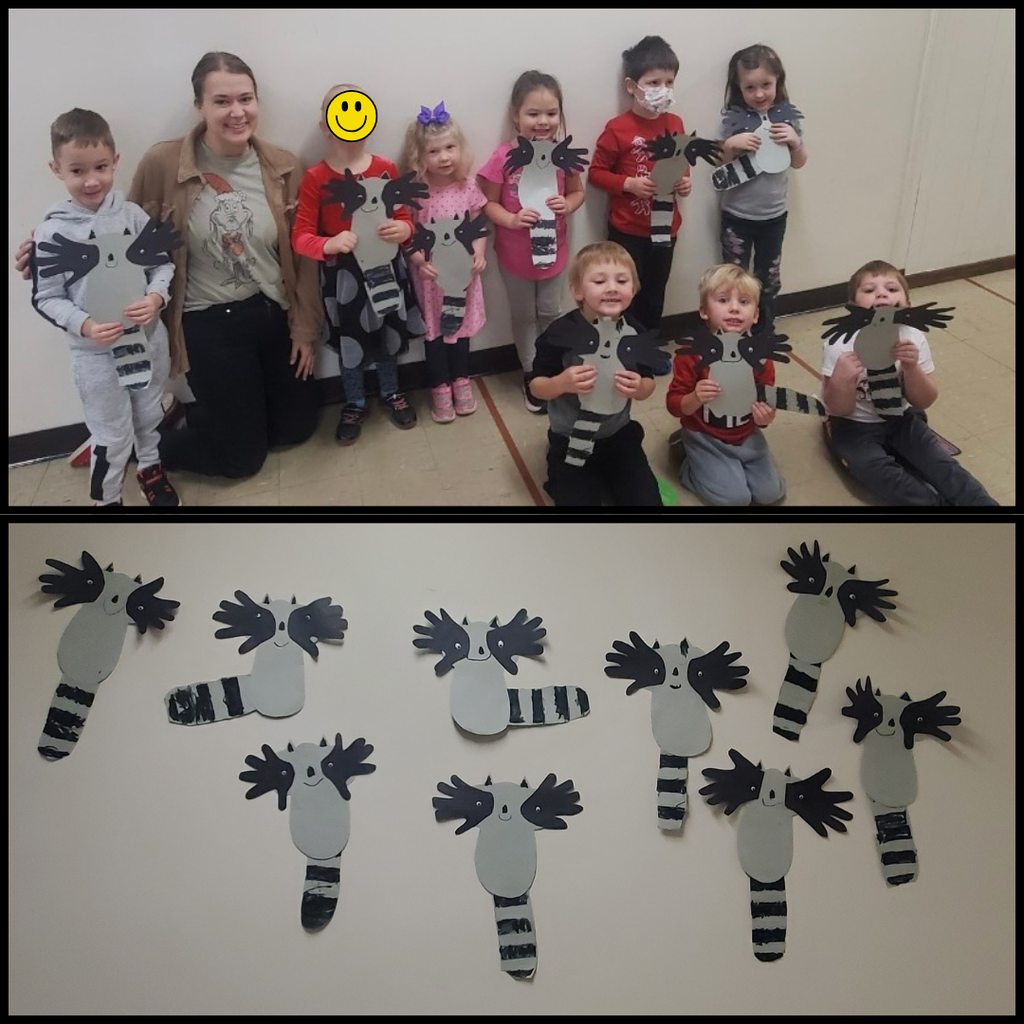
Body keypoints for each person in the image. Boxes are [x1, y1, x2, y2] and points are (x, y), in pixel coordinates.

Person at [123, 51, 321, 479]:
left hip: (272, 312)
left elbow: (306, 256)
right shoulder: (162, 164)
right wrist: (53, 253)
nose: (237, 112)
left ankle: (212, 416)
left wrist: (304, 329)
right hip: (209, 322)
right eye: (221, 101)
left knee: (295, 429)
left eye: (245, 99)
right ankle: (137, 441)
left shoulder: (284, 166)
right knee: (243, 460)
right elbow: (121, 236)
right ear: (200, 106)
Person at [30, 108, 178, 507]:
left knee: (149, 414)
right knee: (111, 435)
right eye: (77, 171)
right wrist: (86, 325)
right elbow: (46, 298)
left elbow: (161, 265)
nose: (91, 180)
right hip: (96, 358)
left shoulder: (132, 216)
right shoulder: (52, 231)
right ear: (56, 169)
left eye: (100, 167)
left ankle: (151, 469)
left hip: (146, 342)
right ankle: (107, 500)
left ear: (115, 161)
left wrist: (155, 298)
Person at [292, 83, 422, 445]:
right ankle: (354, 401)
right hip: (344, 278)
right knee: (351, 341)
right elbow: (300, 236)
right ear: (326, 127)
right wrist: (329, 243)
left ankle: (391, 391)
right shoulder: (316, 178)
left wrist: (403, 229)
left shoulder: (385, 168)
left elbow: (404, 217)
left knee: (387, 333)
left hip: (385, 266)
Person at [822, 260, 998, 505]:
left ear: (907, 304)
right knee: (873, 469)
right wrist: (842, 379)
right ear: (852, 307)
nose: (881, 294)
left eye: (892, 289)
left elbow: (925, 400)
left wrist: (912, 368)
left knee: (940, 463)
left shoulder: (912, 337)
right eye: (870, 290)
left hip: (902, 418)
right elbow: (838, 408)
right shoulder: (839, 343)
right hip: (855, 424)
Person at [478, 71, 585, 414]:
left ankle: (552, 371)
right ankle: (532, 373)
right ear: (516, 115)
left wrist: (567, 204)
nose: (543, 122)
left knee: (551, 312)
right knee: (524, 316)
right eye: (533, 113)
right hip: (515, 256)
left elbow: (577, 192)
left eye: (551, 113)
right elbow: (487, 203)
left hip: (554, 253)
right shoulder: (503, 157)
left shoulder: (562, 155)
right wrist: (511, 219)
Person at [588, 35, 694, 374]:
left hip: (666, 228)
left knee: (654, 292)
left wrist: (685, 182)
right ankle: (623, 349)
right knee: (623, 293)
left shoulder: (676, 124)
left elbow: (682, 166)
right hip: (627, 231)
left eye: (669, 82)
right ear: (632, 87)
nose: (663, 89)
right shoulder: (617, 129)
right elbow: (596, 173)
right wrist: (628, 184)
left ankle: (649, 347)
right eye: (654, 82)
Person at [528, 242, 662, 506]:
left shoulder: (636, 333)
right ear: (577, 290)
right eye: (600, 281)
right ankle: (561, 473)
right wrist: (561, 383)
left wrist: (639, 388)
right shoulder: (560, 334)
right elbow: (535, 387)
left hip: (619, 435)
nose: (612, 288)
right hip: (570, 438)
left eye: (622, 281)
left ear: (634, 289)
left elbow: (648, 384)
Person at [667, 264, 785, 506]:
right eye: (723, 300)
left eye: (744, 302)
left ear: (756, 315)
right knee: (735, 499)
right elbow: (674, 404)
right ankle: (686, 458)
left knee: (771, 494)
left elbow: (767, 403)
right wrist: (695, 397)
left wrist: (765, 416)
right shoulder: (691, 353)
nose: (734, 308)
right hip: (704, 437)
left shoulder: (761, 356)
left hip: (747, 436)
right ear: (704, 311)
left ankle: (728, 468)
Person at [402, 102, 487, 423]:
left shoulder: (468, 186)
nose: (444, 157)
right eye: (434, 151)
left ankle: (461, 379)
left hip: (462, 276)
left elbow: (479, 226)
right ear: (419, 157)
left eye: (450, 148)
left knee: (460, 328)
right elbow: (406, 232)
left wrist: (479, 253)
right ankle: (439, 384)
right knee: (435, 332)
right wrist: (418, 259)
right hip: (430, 278)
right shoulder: (415, 191)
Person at [716, 44, 807, 336]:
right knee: (733, 277)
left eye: (766, 84)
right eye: (750, 87)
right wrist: (731, 145)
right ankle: (732, 332)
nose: (759, 94)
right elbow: (719, 165)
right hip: (736, 215)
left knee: (769, 278)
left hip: (774, 216)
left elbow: (799, 162)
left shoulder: (787, 119)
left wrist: (795, 141)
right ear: (738, 88)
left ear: (778, 80)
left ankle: (764, 330)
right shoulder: (733, 120)